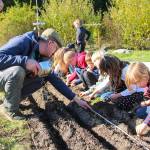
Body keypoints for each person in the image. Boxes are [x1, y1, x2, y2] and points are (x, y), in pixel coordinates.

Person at [0, 28, 90, 120]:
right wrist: (24, 61)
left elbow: (55, 79)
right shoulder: (23, 41)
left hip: (10, 79)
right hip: (3, 75)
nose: (54, 54)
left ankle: (12, 102)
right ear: (51, 43)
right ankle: (9, 110)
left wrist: (76, 99)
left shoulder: (44, 58)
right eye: (55, 51)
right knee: (17, 71)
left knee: (42, 78)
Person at [125, 62, 150, 136]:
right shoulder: (147, 82)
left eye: (137, 82)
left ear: (144, 76)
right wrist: (147, 102)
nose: (137, 85)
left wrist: (145, 123)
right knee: (139, 112)